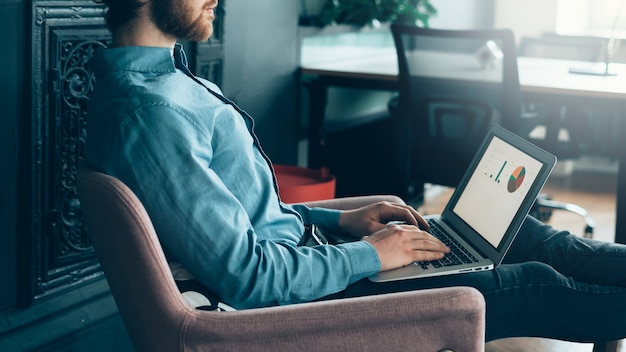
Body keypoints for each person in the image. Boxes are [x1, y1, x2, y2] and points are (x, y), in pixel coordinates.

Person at [86, 0, 626, 343]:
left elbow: (247, 217)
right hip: (311, 299)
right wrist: (372, 254)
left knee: (527, 236)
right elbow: (249, 278)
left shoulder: (166, 84)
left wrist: (342, 221)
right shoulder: (152, 115)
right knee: (532, 284)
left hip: (316, 260)